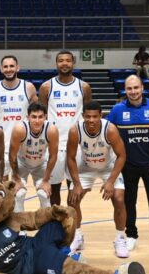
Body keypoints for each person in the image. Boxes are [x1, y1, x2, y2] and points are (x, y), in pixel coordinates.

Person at [107, 75, 149, 255]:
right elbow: (108, 135)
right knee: (129, 202)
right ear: (125, 90)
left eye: (136, 88)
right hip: (127, 165)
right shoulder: (117, 110)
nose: (133, 92)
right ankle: (131, 236)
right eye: (129, 88)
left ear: (142, 87)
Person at [66, 101, 129, 258]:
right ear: (83, 116)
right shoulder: (75, 130)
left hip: (109, 167)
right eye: (88, 117)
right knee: (72, 200)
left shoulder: (110, 130)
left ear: (101, 116)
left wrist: (110, 182)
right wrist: (77, 184)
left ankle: (120, 238)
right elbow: (71, 158)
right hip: (86, 167)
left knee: (119, 198)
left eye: (95, 116)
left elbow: (122, 156)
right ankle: (78, 236)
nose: (91, 120)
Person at [39, 50, 92, 206]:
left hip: (76, 145)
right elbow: (41, 117)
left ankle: (72, 227)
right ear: (56, 63)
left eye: (67, 60)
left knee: (74, 188)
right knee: (53, 189)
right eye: (61, 60)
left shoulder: (84, 87)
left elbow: (89, 115)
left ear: (73, 63)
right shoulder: (46, 87)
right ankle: (56, 225)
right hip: (54, 145)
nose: (64, 63)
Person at [0, 55, 38, 180]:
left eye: (12, 66)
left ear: (18, 68)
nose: (8, 69)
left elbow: (38, 113)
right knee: (3, 182)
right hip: (4, 143)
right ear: (1, 69)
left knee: (20, 183)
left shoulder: (28, 87)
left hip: (24, 144)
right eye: (5, 67)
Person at [9, 102, 58, 212]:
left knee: (44, 194)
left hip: (40, 164)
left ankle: (46, 227)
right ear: (28, 117)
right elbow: (12, 155)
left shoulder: (51, 130)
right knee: (19, 194)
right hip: (22, 163)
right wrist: (16, 178)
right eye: (34, 117)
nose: (37, 121)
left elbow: (53, 156)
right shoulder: (19, 129)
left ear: (45, 117)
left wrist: (45, 180)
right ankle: (19, 227)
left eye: (40, 117)